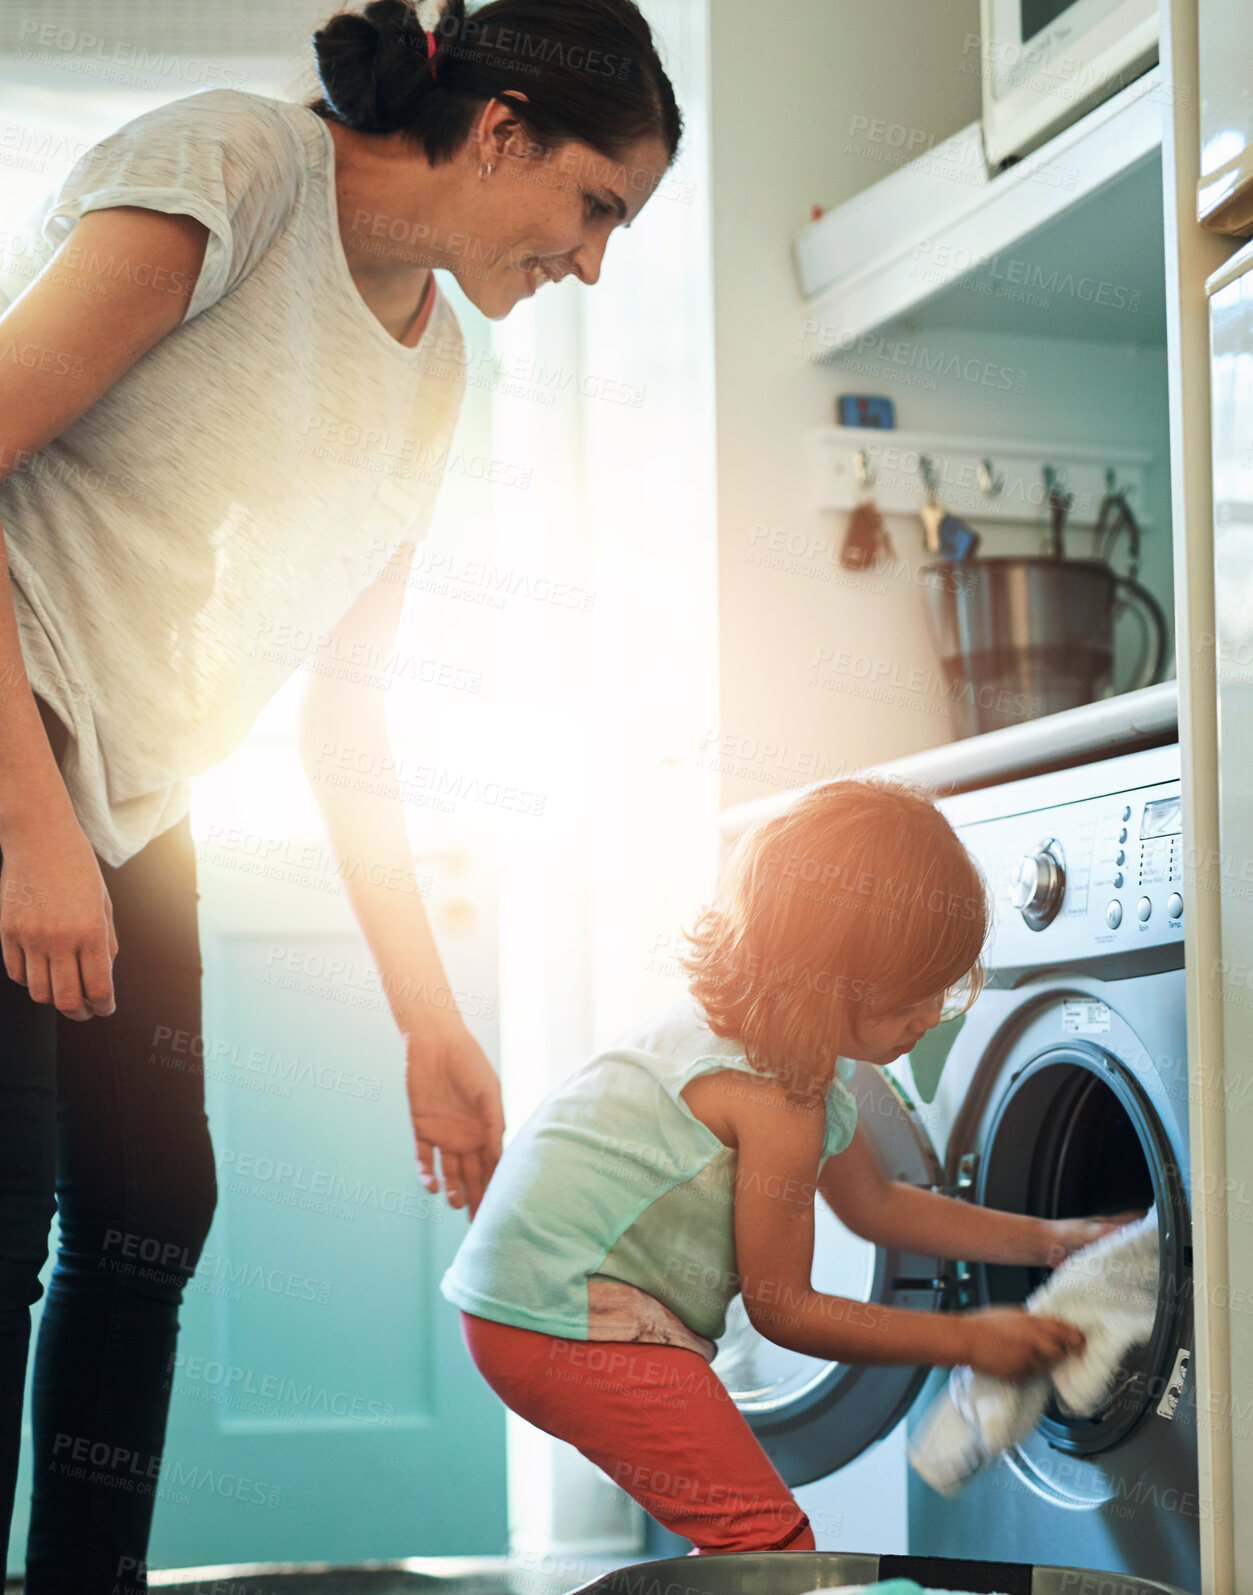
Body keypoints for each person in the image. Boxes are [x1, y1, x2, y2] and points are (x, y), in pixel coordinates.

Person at [0, 1, 680, 1588]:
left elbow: (346, 716)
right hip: (17, 728)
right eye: (596, 207)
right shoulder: (234, 170)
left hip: (124, 777)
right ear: (501, 128)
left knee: (155, 1206)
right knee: (12, 1196)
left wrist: (428, 1022)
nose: (591, 264)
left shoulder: (433, 371)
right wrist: (29, 823)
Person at [442, 778, 1142, 1553]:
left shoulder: (771, 1033)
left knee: (752, 1544)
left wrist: (1049, 1237)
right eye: (910, 993)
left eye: (937, 986)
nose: (928, 1014)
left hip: (529, 1297)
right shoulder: (774, 1094)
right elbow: (784, 1308)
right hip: (562, 1320)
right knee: (766, 1547)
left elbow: (877, 1203)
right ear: (824, 977)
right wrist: (970, 1340)